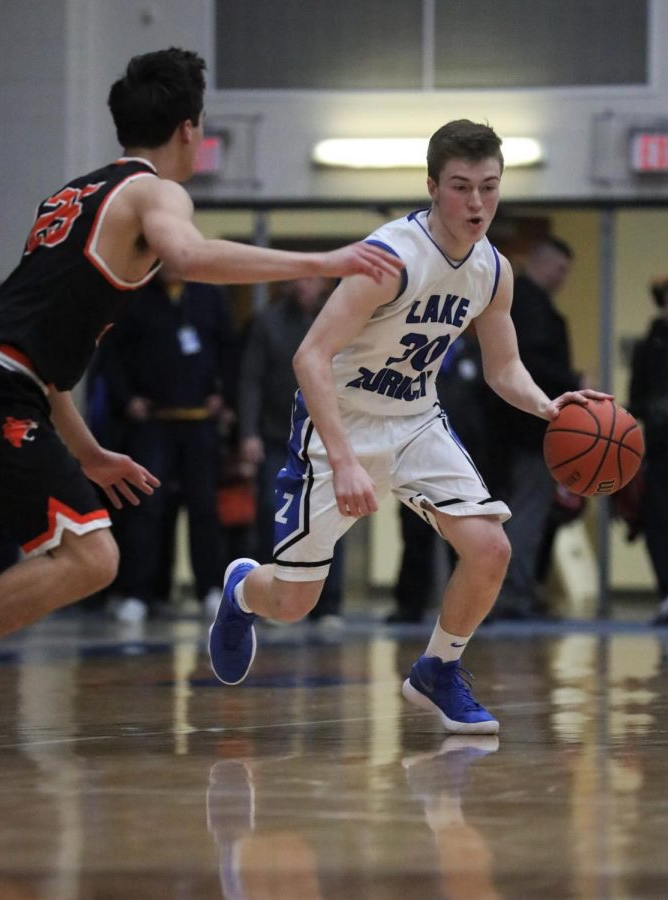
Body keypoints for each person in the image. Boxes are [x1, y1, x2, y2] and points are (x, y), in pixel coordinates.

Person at [0, 47, 403, 647]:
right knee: (92, 558)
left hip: (5, 382)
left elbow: (38, 365)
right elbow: (188, 256)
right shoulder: (155, 194)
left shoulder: (71, 198)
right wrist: (321, 258)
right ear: (189, 129)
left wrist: (90, 452)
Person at [208, 119, 610, 734]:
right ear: (431, 186)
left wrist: (551, 407)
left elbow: (505, 370)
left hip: (417, 420)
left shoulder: (494, 271)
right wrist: (343, 460)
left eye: (489, 187)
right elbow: (308, 358)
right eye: (460, 187)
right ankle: (241, 590)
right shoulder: (389, 260)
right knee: (294, 601)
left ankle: (437, 669)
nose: (477, 203)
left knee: (489, 547)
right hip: (339, 422)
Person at [97, 269, 236, 623]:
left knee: (204, 509)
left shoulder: (208, 295)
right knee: (146, 510)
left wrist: (225, 396)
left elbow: (228, 349)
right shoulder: (134, 296)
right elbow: (111, 354)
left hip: (199, 422)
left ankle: (210, 590)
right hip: (153, 423)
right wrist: (127, 399)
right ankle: (137, 594)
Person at [238, 276, 345, 627]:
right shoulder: (267, 322)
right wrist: (248, 432)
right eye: (301, 280)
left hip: (324, 438)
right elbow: (250, 379)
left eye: (313, 282)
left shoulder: (340, 317)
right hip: (276, 436)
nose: (308, 287)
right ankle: (273, 596)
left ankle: (329, 606)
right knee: (274, 511)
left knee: (333, 517)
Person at [490, 237, 584, 620]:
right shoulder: (526, 306)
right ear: (542, 263)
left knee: (528, 512)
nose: (563, 278)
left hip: (524, 426)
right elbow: (525, 364)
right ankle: (513, 594)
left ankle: (520, 589)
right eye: (560, 269)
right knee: (524, 513)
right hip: (525, 428)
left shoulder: (526, 304)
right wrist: (572, 380)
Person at [387, 328, 500, 624]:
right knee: (414, 538)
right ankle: (409, 605)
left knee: (466, 540)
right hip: (418, 461)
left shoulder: (476, 356)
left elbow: (490, 414)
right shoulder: (416, 357)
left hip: (466, 463)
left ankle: (473, 609)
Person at [628, 274, 668, 625]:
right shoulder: (648, 346)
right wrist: (655, 407)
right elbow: (635, 399)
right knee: (658, 523)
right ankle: (667, 594)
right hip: (660, 448)